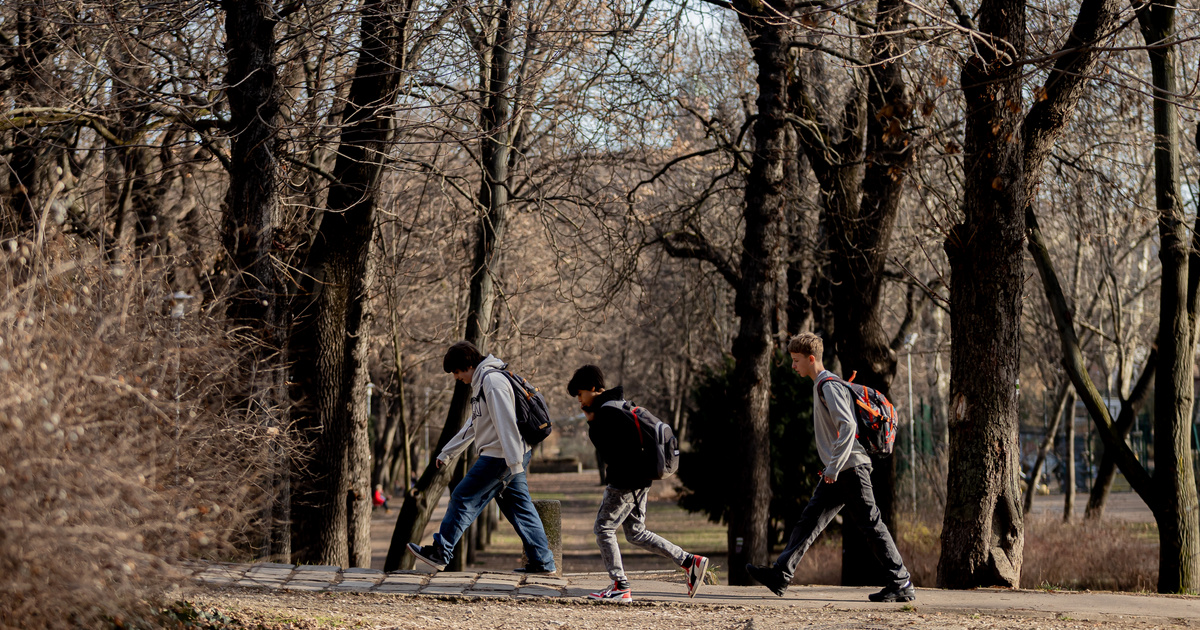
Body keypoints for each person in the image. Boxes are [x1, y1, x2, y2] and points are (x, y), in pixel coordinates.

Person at [745, 332, 915, 602]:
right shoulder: (822, 385)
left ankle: (901, 582)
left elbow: (847, 425)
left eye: (796, 360)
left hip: (849, 468)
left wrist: (833, 467)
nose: (793, 365)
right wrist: (831, 468)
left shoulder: (828, 385)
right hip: (839, 470)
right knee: (809, 521)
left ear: (812, 359)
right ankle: (781, 574)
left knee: (872, 524)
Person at [406, 341, 556, 574]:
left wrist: (513, 463)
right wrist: (448, 452)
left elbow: (506, 424)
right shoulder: (484, 383)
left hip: (500, 457)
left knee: (463, 497)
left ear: (468, 364)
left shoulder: (492, 382)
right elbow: (475, 425)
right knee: (521, 509)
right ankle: (543, 562)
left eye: (456, 372)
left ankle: (440, 552)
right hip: (507, 456)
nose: (456, 378)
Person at [567, 364, 709, 603]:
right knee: (635, 532)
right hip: (641, 479)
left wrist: (592, 423)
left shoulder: (606, 413)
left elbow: (611, 453)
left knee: (603, 528)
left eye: (580, 394)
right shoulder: (621, 405)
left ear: (592, 388)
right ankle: (688, 561)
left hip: (625, 481)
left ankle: (620, 585)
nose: (579, 401)